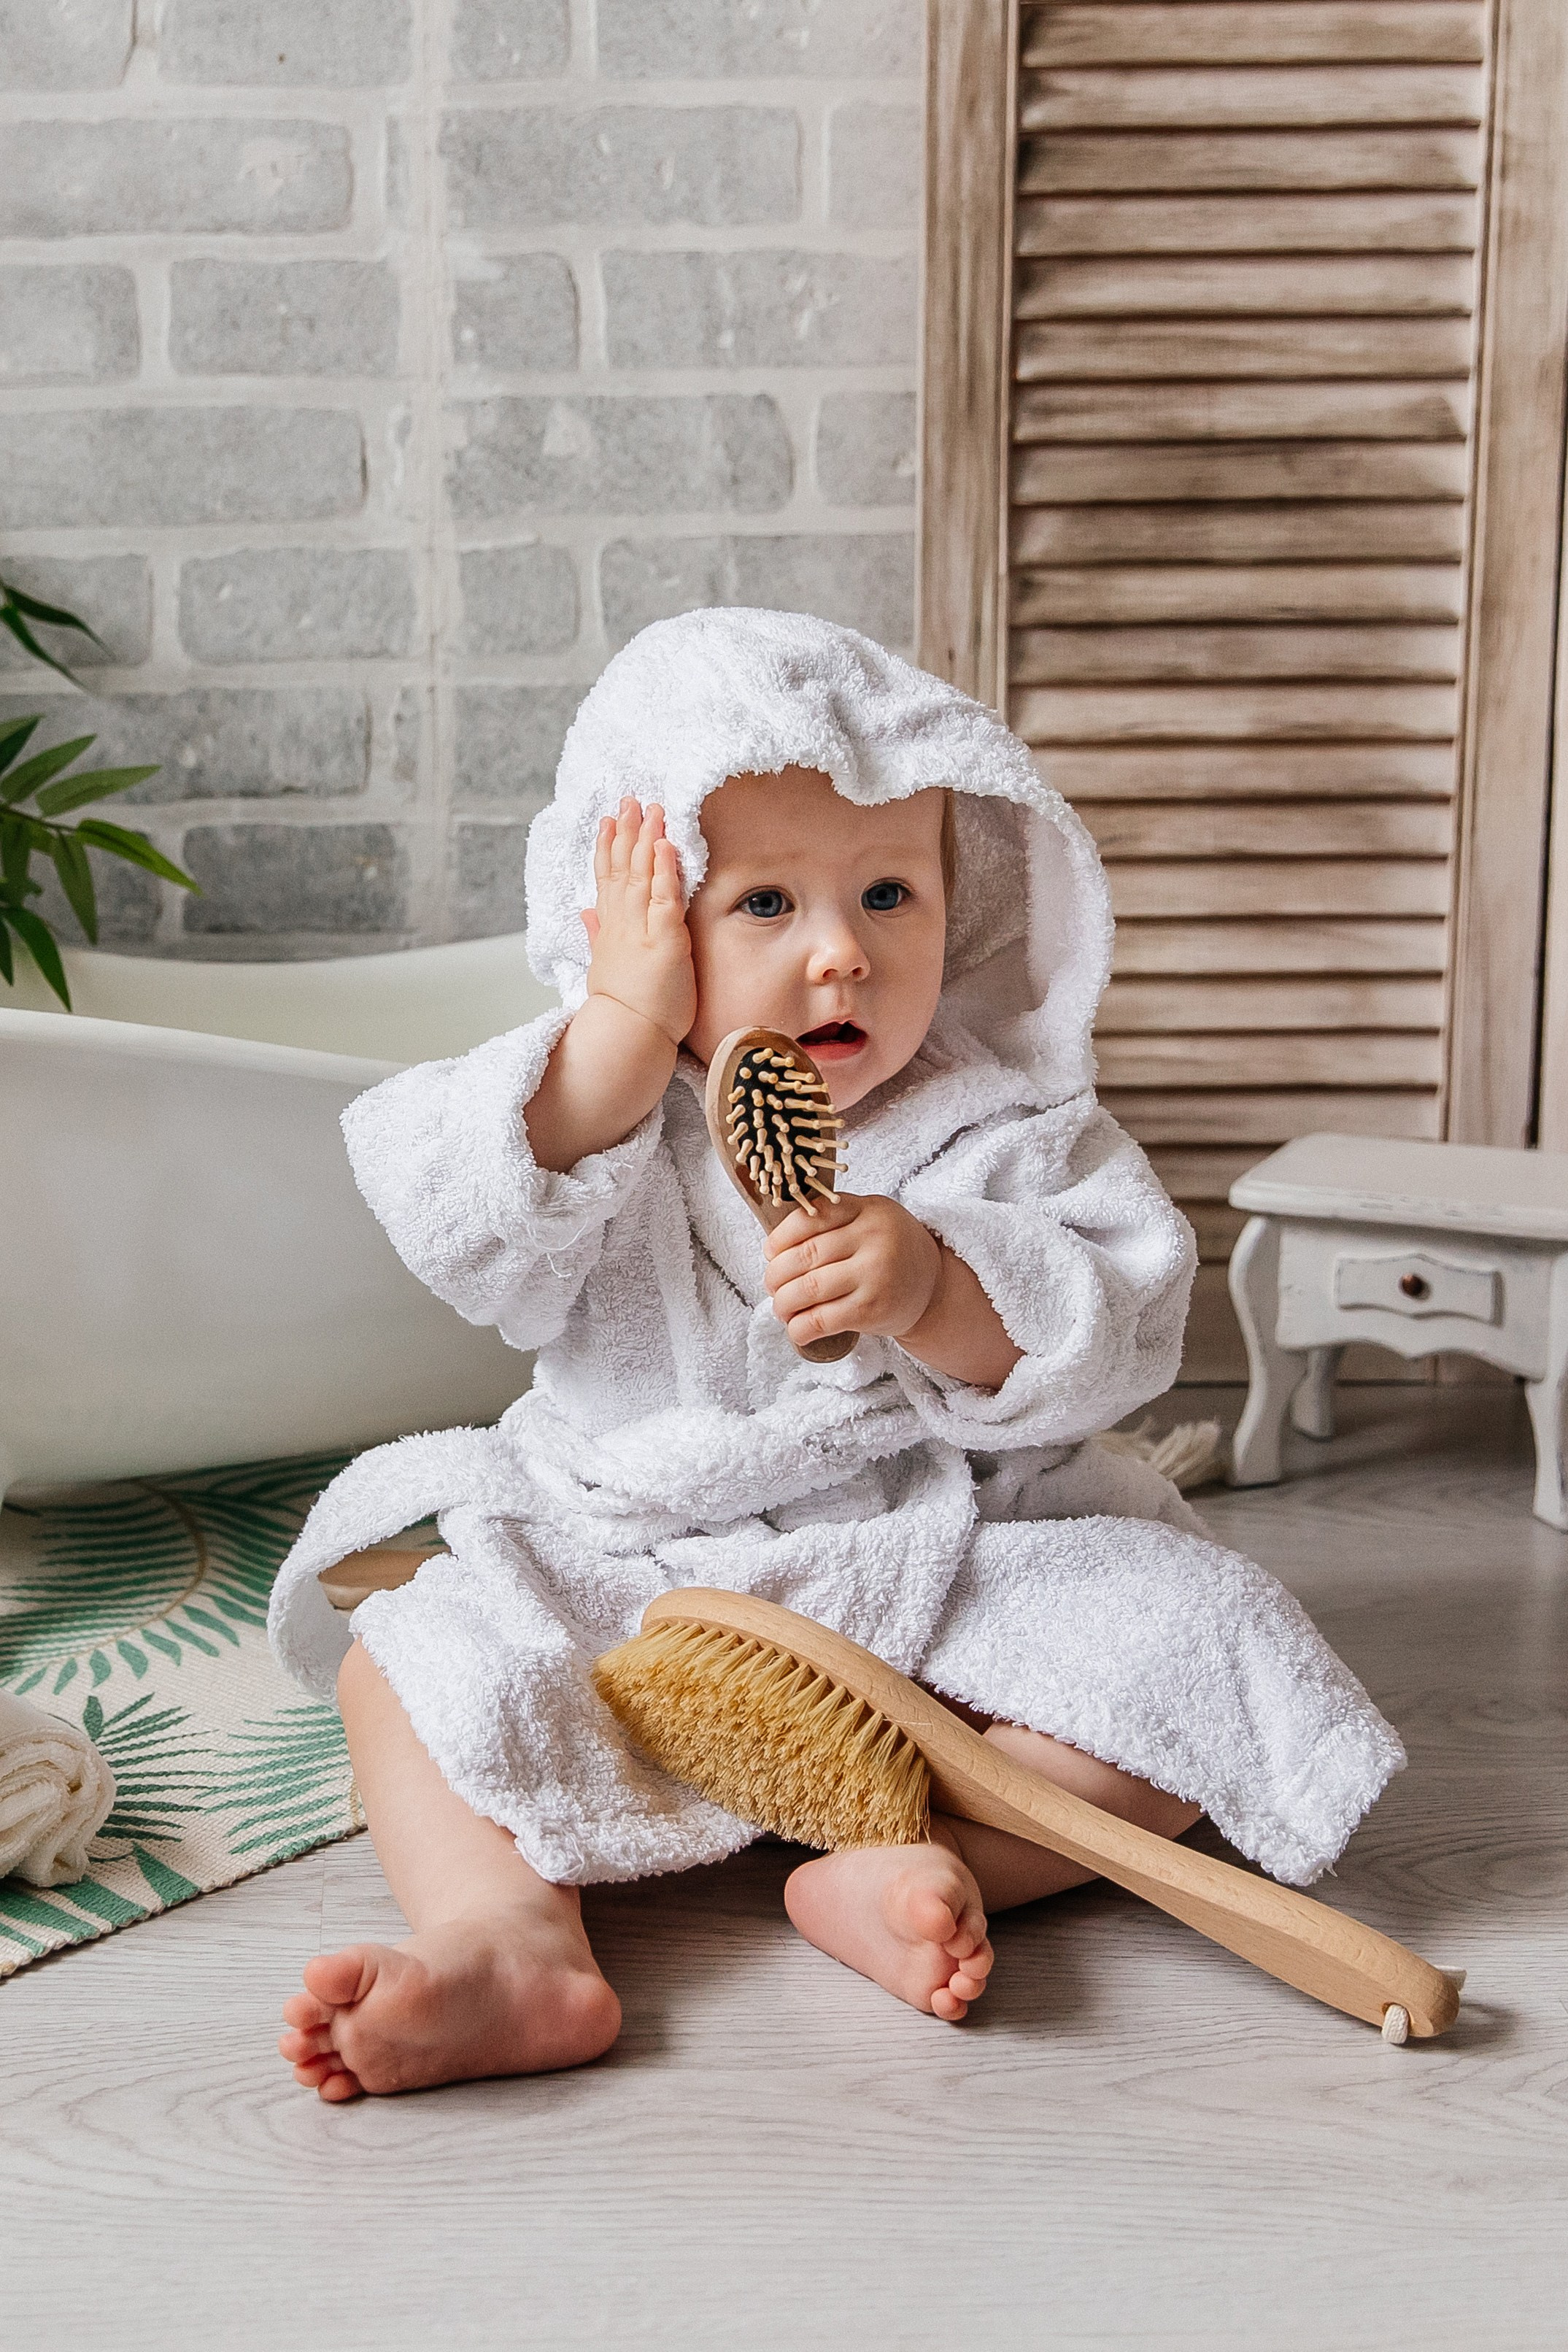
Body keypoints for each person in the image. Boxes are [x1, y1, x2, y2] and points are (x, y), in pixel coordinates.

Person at [268, 609, 1403, 2100]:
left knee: (1205, 1643)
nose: (839, 953)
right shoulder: (600, 1105)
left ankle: (916, 1861)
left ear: (967, 896)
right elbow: (464, 1226)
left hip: (928, 1568)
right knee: (405, 1657)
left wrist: (940, 1281)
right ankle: (509, 1943)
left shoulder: (1000, 1121)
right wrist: (619, 1032)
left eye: (888, 893)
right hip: (631, 1565)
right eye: (761, 905)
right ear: (646, 910)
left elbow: (1123, 1316)